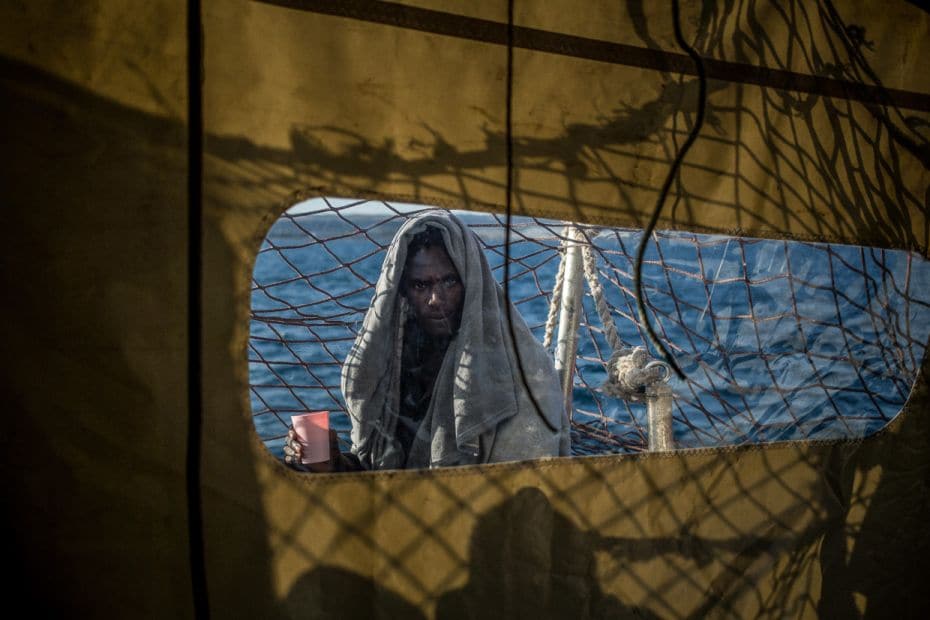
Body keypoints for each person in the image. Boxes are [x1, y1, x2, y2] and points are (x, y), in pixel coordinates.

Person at [284, 210, 571, 471]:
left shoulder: (524, 370)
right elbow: (382, 475)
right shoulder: (393, 365)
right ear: (403, 290)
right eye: (421, 285)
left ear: (470, 284)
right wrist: (332, 462)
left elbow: (525, 491)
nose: (436, 299)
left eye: (449, 282)